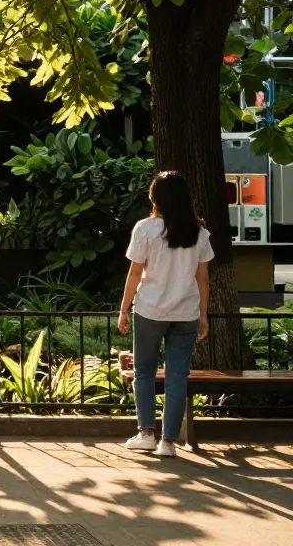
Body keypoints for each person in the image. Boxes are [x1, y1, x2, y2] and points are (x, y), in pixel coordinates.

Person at [118, 171, 213, 458]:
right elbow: (203, 279)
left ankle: (146, 433)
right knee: (176, 376)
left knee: (144, 372)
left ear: (155, 198)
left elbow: (135, 273)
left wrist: (124, 309)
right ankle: (169, 442)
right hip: (185, 312)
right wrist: (204, 315)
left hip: (149, 310)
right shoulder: (200, 232)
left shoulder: (145, 229)